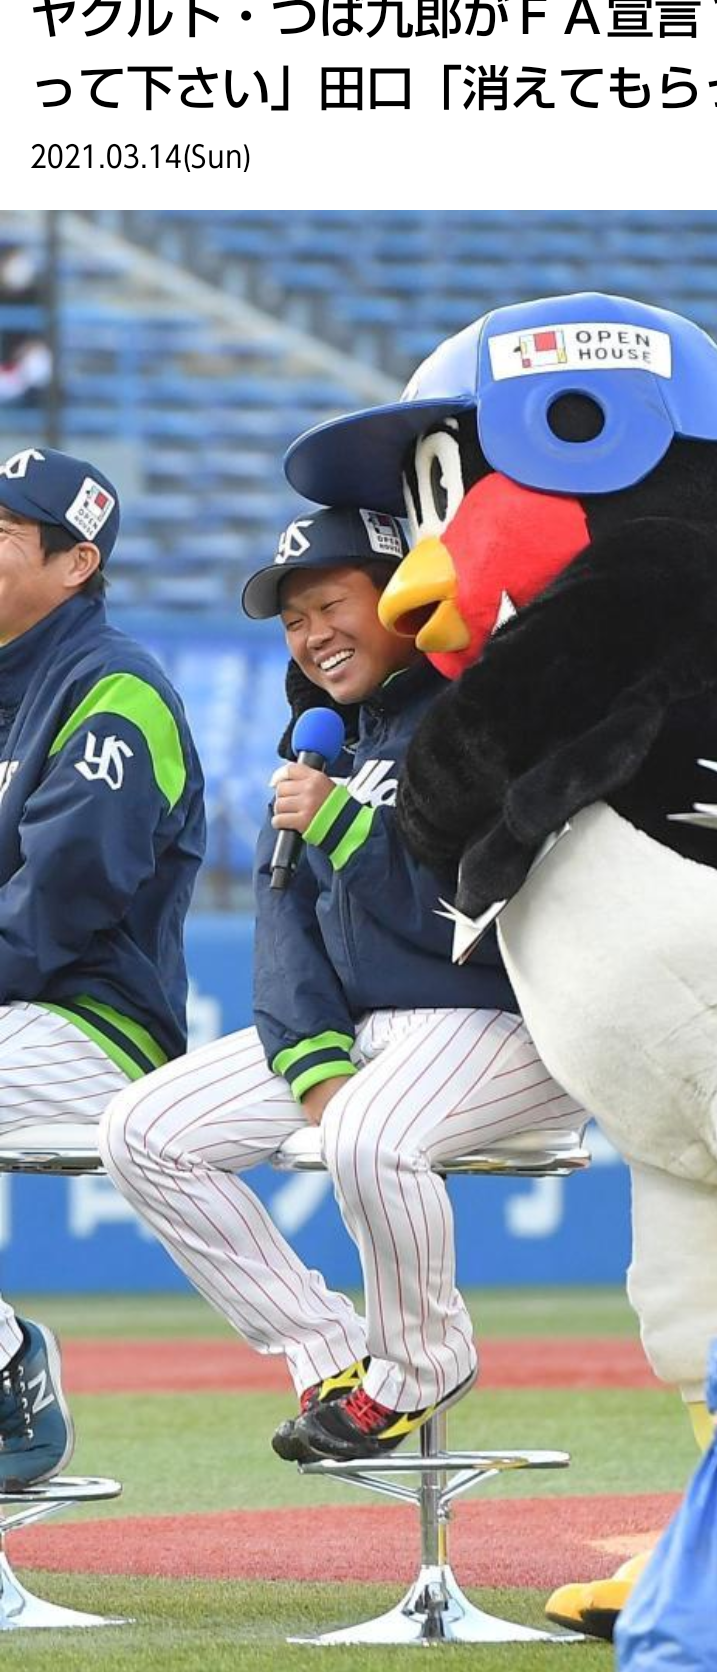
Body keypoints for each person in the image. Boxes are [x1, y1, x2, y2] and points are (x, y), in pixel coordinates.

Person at [100, 505, 585, 1462]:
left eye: (331, 603)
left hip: (507, 1021)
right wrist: (313, 1061)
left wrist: (346, 830)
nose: (313, 635)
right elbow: (284, 931)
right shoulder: (324, 744)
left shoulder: (482, 715)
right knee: (144, 1132)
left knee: (371, 1136)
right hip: (374, 1032)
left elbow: (485, 922)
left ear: (402, 595)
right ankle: (329, 1353)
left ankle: (419, 1364)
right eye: (292, 620)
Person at [0, 445, 205, 1487]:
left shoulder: (115, 691)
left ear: (76, 562)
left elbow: (58, 909)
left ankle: (8, 1363)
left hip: (96, 1026)